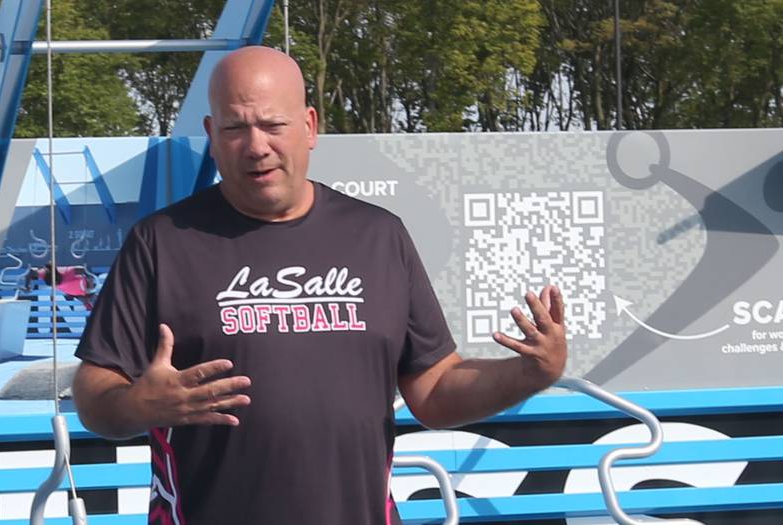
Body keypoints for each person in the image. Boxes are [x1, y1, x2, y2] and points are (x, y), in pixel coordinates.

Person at [72, 46, 567, 524]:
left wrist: (531, 374)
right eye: (235, 127)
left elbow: (435, 389)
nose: (256, 145)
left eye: (272, 124)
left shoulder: (378, 236)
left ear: (309, 127)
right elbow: (95, 392)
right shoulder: (162, 242)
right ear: (212, 134)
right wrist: (138, 404)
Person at [24, 263, 97, 310]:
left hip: (85, 288)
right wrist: (27, 285)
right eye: (53, 283)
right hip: (80, 293)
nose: (55, 283)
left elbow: (83, 269)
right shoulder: (44, 275)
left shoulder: (67, 272)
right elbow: (31, 272)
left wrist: (90, 278)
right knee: (90, 304)